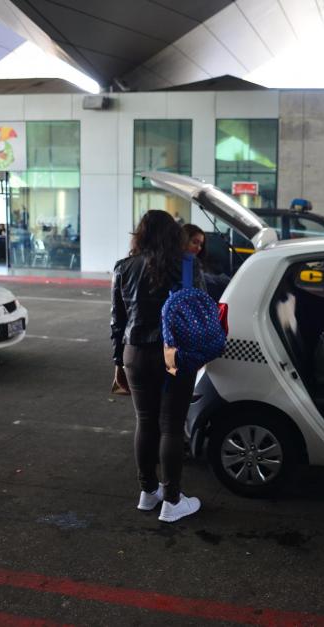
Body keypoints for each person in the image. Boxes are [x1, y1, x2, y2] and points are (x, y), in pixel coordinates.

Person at [111, 210, 205, 523]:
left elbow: (118, 320)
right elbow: (201, 308)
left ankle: (148, 493)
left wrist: (117, 363)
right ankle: (173, 500)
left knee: (145, 421)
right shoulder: (187, 265)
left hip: (134, 352)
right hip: (173, 355)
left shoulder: (124, 267)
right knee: (171, 426)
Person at [182, 223, 230, 302]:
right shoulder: (186, 264)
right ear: (183, 240)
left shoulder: (193, 264)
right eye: (194, 242)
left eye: (201, 244)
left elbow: (206, 278)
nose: (199, 248)